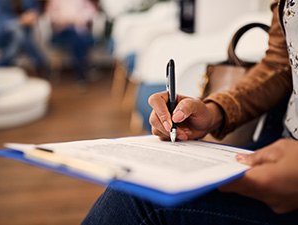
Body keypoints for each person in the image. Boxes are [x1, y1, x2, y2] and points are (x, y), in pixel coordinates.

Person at [81, 0, 298, 224]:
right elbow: (280, 64)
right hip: (279, 148)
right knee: (144, 183)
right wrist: (215, 111)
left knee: (137, 200)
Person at [45, 0, 98, 86]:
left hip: (78, 32)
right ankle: (83, 72)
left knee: (77, 38)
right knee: (78, 37)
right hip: (62, 32)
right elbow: (50, 15)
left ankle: (81, 73)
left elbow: (92, 12)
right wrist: (67, 20)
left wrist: (81, 18)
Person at [0, 0, 49, 75]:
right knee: (18, 32)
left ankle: (2, 67)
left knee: (20, 35)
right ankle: (42, 64)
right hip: (3, 34)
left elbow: (34, 12)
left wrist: (32, 15)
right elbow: (1, 21)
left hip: (22, 34)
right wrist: (18, 21)